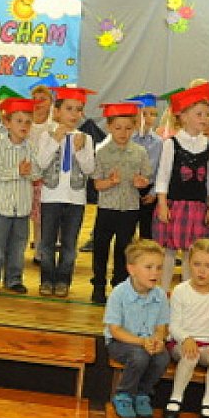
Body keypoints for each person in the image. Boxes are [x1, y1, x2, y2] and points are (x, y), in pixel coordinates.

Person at [153, 83, 209, 290]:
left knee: (194, 253)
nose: (204, 119)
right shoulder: (171, 144)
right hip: (174, 206)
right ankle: (163, 291)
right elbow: (162, 177)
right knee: (169, 251)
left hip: (198, 208)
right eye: (199, 114)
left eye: (207, 114)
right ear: (183, 116)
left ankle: (187, 293)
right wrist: (162, 204)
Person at [35, 86, 96, 297]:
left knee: (69, 244)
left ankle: (63, 281)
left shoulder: (85, 138)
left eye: (78, 110)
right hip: (50, 197)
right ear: (57, 111)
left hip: (75, 199)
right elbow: (41, 163)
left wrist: (79, 151)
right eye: (69, 109)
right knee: (47, 243)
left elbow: (89, 169)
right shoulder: (47, 135)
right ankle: (46, 280)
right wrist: (55, 141)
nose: (74, 114)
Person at [164, 239, 209, 418]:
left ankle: (208, 403)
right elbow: (174, 326)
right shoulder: (180, 290)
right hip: (181, 343)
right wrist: (186, 338)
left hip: (208, 344)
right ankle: (176, 398)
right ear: (188, 263)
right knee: (190, 356)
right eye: (197, 264)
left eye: (208, 266)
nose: (201, 271)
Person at [90, 103, 151, 304]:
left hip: (130, 209)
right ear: (109, 127)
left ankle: (119, 286)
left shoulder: (140, 152)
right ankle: (98, 286)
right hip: (107, 208)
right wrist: (110, 182)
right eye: (118, 128)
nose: (123, 133)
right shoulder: (101, 152)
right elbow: (97, 184)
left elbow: (146, 178)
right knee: (101, 248)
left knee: (123, 250)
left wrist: (141, 183)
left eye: (128, 128)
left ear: (134, 127)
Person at [105, 239, 170, 418]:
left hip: (147, 341)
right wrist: (142, 341)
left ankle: (142, 393)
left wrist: (158, 340)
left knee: (162, 357)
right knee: (139, 356)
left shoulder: (160, 296)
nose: (155, 273)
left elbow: (161, 327)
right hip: (120, 342)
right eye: (148, 267)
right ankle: (124, 394)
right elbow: (115, 330)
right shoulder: (119, 293)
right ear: (131, 269)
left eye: (159, 268)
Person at [0, 98, 39, 294]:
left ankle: (13, 279)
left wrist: (29, 172)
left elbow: (37, 174)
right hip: (1, 207)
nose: (24, 126)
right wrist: (17, 171)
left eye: (28, 122)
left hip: (22, 208)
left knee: (18, 247)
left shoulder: (31, 148)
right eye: (19, 121)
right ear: (7, 123)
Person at [27, 78, 57, 262]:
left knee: (42, 216)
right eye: (35, 99)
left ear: (51, 102)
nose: (38, 103)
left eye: (43, 99)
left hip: (46, 177)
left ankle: (41, 251)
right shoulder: (26, 123)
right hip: (27, 175)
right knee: (29, 214)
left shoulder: (54, 126)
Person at [128, 93, 162, 241]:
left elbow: (161, 169)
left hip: (148, 191)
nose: (149, 118)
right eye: (144, 114)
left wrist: (154, 192)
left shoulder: (159, 142)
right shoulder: (127, 138)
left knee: (147, 232)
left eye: (153, 114)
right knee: (127, 230)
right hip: (128, 188)